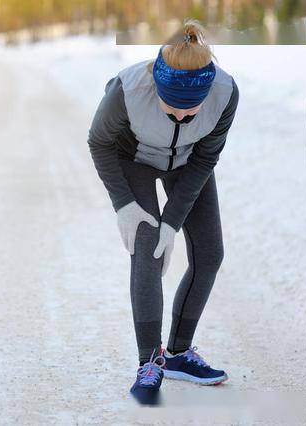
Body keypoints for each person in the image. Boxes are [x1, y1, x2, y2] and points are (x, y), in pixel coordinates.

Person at [86, 20, 240, 396]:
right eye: (173, 110)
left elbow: (205, 159)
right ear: (157, 86)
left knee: (209, 255)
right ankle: (149, 362)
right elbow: (98, 142)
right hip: (133, 158)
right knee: (148, 250)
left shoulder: (225, 93)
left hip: (188, 163)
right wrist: (124, 204)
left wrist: (172, 220)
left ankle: (179, 352)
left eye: (191, 112)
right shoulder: (128, 89)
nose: (182, 118)